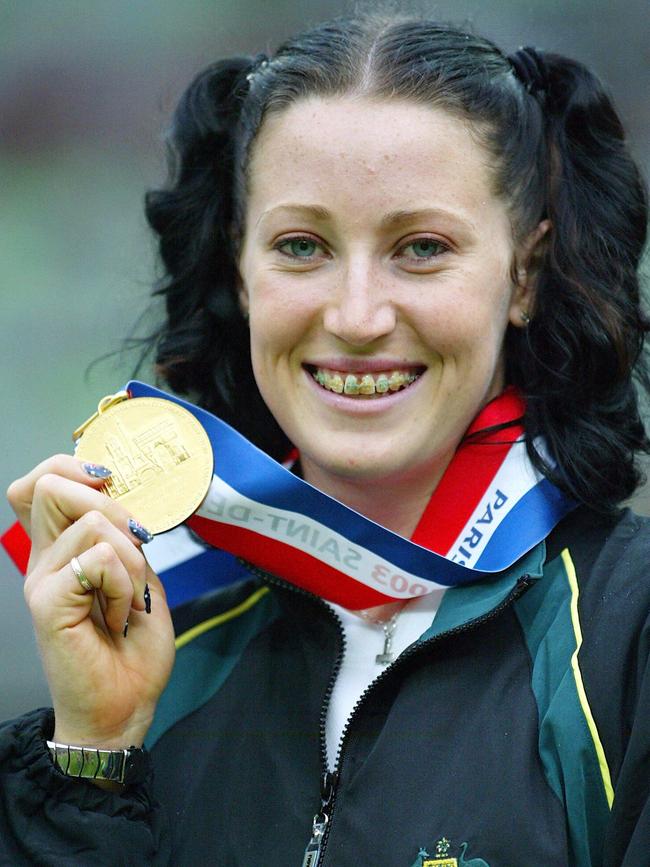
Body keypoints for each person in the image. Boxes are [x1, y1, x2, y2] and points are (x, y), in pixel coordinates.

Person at [1, 12, 648, 866]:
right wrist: (97, 753)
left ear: (523, 273)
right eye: (301, 246)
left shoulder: (625, 630)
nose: (355, 316)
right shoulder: (159, 621)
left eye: (421, 248)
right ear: (240, 266)